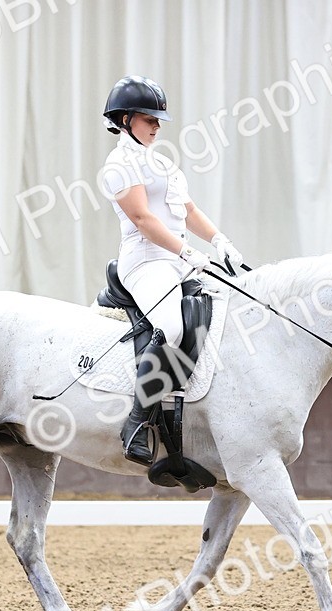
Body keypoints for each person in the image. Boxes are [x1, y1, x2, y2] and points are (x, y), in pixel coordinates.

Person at [99, 75, 245, 465]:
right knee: (173, 327)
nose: (156, 126)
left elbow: (189, 210)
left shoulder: (161, 162)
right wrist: (187, 251)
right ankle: (136, 423)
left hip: (177, 261)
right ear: (126, 119)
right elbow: (143, 219)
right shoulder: (118, 165)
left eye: (158, 120)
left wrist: (219, 241)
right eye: (149, 119)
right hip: (146, 262)